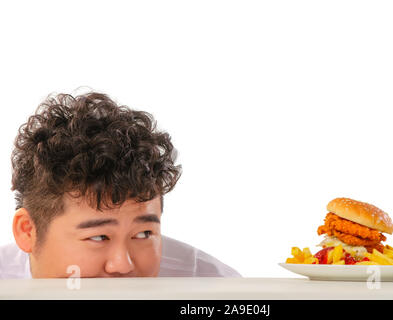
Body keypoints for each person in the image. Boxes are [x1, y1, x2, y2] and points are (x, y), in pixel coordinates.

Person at [0, 91, 241, 278]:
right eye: (99, 237)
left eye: (144, 234)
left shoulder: (215, 289)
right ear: (27, 231)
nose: (123, 266)